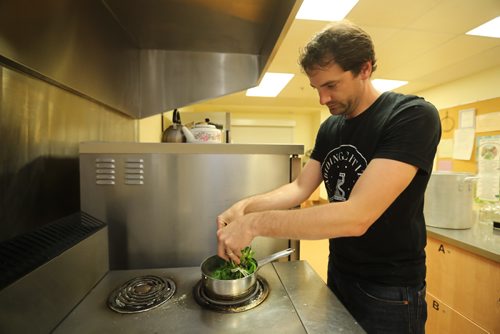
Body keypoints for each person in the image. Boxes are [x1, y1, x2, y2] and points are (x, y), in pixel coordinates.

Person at [216, 20, 441, 334]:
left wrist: (255, 224)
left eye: (331, 85)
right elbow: (299, 187)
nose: (322, 99)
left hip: (389, 289)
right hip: (339, 271)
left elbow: (357, 216)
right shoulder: (331, 127)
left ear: (364, 69)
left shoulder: (410, 117)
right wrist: (244, 208)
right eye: (316, 88)